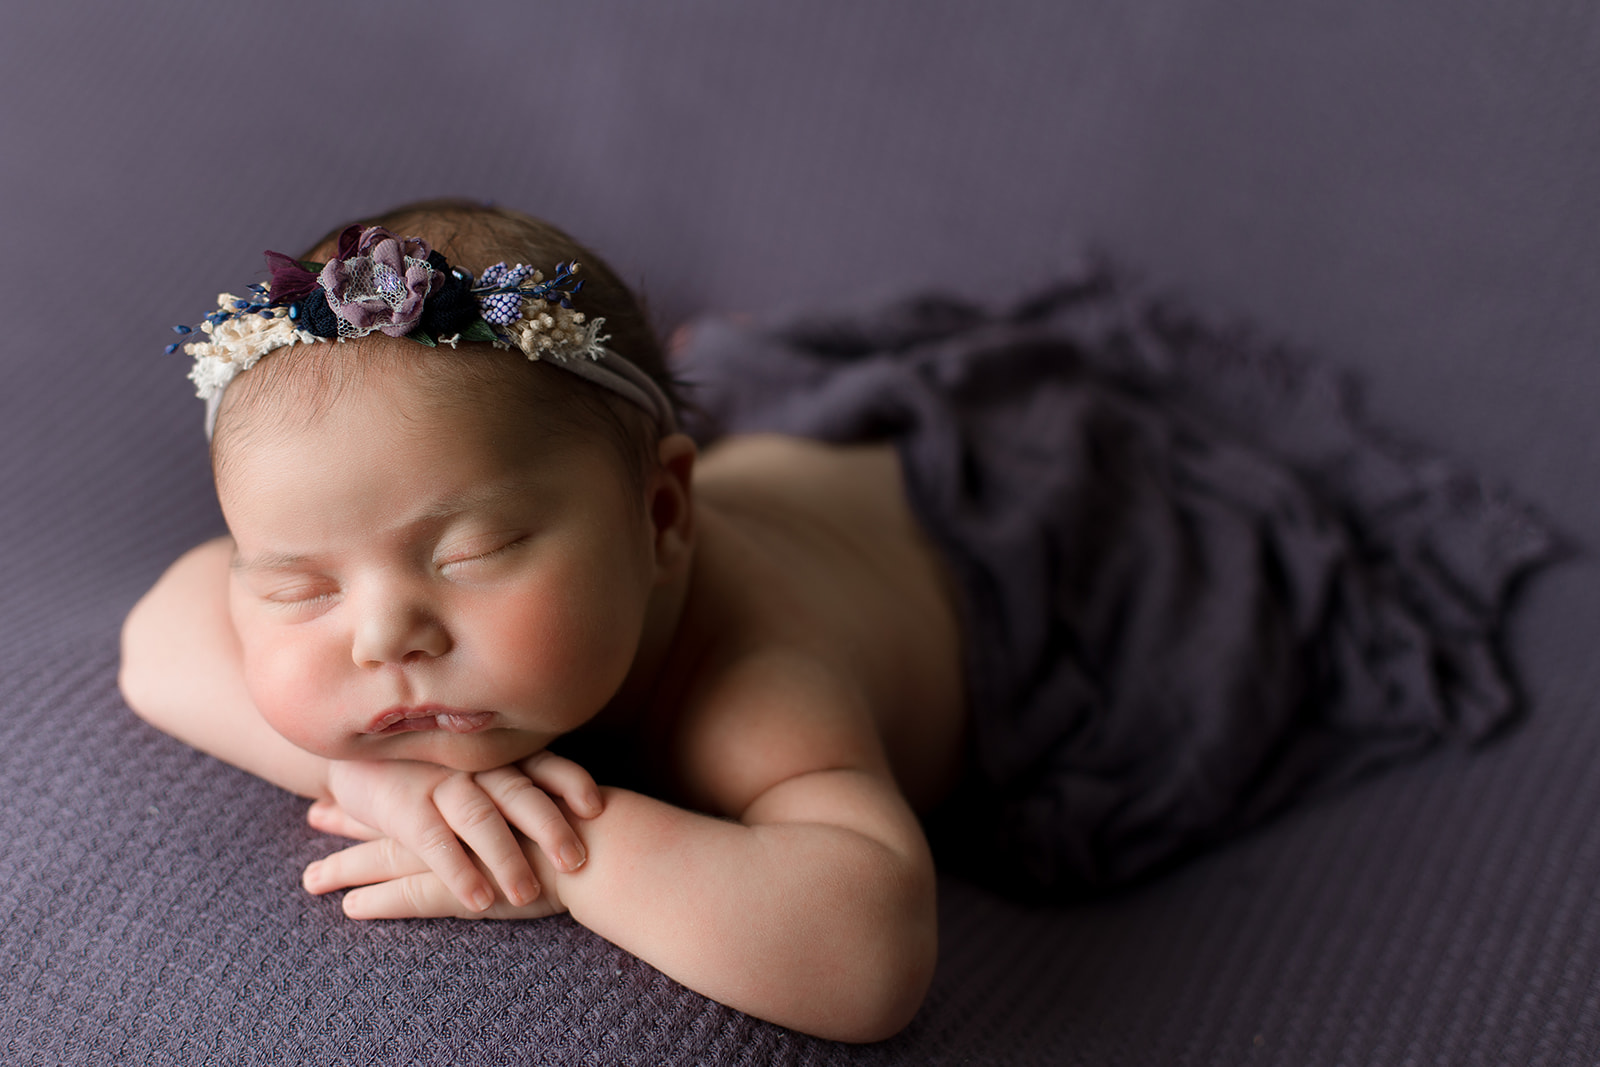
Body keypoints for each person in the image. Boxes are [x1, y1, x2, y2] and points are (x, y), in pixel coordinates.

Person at [119, 200, 962, 1043]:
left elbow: (870, 956)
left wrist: (564, 852)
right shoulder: (481, 523)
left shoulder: (753, 676)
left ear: (662, 517)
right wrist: (357, 778)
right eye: (301, 588)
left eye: (471, 553)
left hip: (967, 548)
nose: (382, 639)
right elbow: (157, 639)